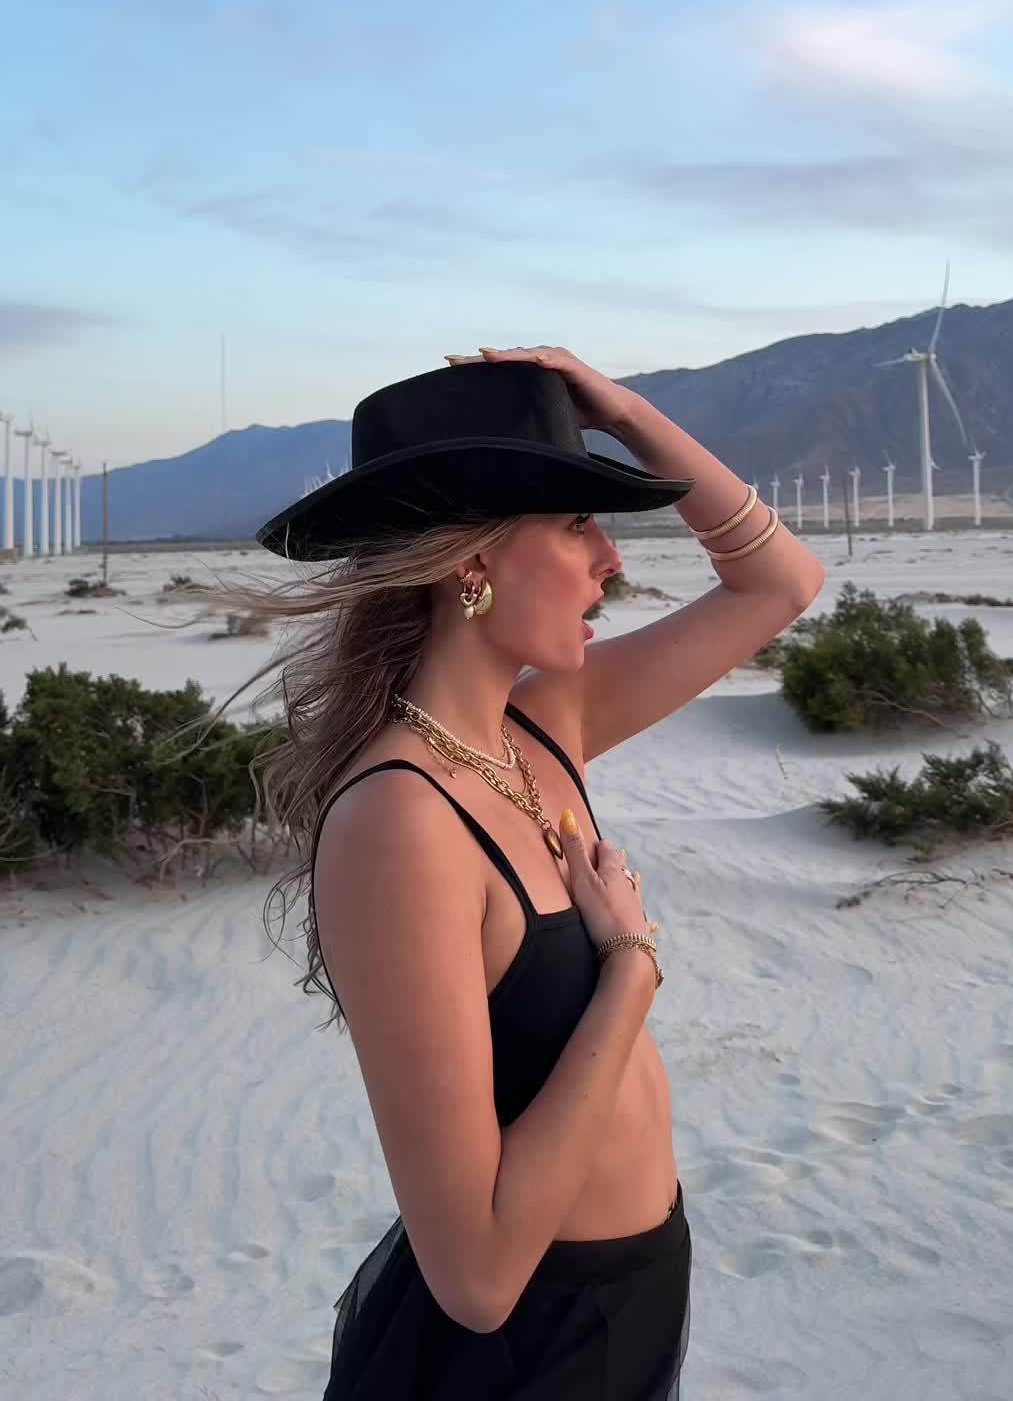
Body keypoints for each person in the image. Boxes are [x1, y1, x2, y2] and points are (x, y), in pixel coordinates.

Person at [253, 345, 825, 1399]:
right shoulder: (400, 820)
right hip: (529, 1351)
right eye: (575, 523)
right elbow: (475, 1277)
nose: (612, 561)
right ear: (472, 561)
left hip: (637, 1288)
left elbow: (782, 581)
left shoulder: (542, 729)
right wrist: (631, 968)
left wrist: (627, 413)